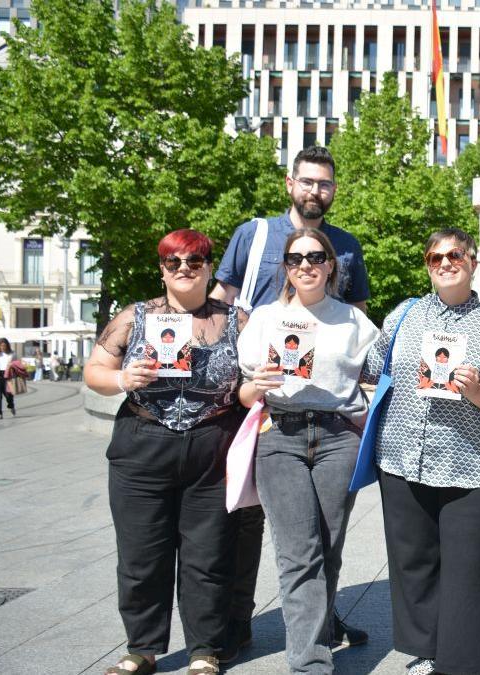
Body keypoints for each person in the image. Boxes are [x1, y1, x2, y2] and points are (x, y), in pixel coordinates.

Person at [210, 145, 371, 659]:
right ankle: (244, 629)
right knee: (267, 534)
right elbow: (220, 301)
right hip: (266, 408)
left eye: (324, 184)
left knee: (324, 542)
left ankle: (317, 627)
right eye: (307, 182)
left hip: (333, 425)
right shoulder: (254, 235)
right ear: (290, 183)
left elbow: (363, 338)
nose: (314, 191)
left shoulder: (347, 248)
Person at [84, 229, 246, 675]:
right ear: (162, 268)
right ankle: (142, 648)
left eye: (195, 262)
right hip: (143, 442)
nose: (184, 270)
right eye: (173, 262)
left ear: (209, 267)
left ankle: (204, 650)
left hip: (212, 448)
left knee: (209, 556)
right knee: (141, 555)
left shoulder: (237, 319)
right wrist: (123, 378)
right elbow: (94, 370)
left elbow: (256, 374)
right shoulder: (134, 317)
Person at [362, 228, 480, 675]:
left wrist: (479, 392)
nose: (445, 263)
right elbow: (374, 367)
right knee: (414, 561)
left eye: (454, 255)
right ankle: (426, 649)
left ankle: (467, 663)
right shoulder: (403, 316)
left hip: (472, 464)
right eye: (435, 257)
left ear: (472, 261)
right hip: (402, 457)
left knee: (468, 569)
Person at [237, 228, 379, 674]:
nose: (306, 265)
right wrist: (253, 387)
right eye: (296, 258)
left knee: (329, 549)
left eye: (316, 257)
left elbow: (376, 380)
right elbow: (242, 392)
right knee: (300, 553)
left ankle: (323, 627)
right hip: (280, 435)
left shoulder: (354, 322)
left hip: (338, 437)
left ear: (331, 265)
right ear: (285, 266)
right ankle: (310, 664)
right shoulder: (264, 319)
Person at [0, 338, 17, 419]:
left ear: (7, 345)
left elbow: (16, 363)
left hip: (8, 375)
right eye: (1, 346)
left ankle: (11, 405)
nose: (2, 347)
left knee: (8, 394)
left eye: (4, 345)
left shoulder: (12, 353)